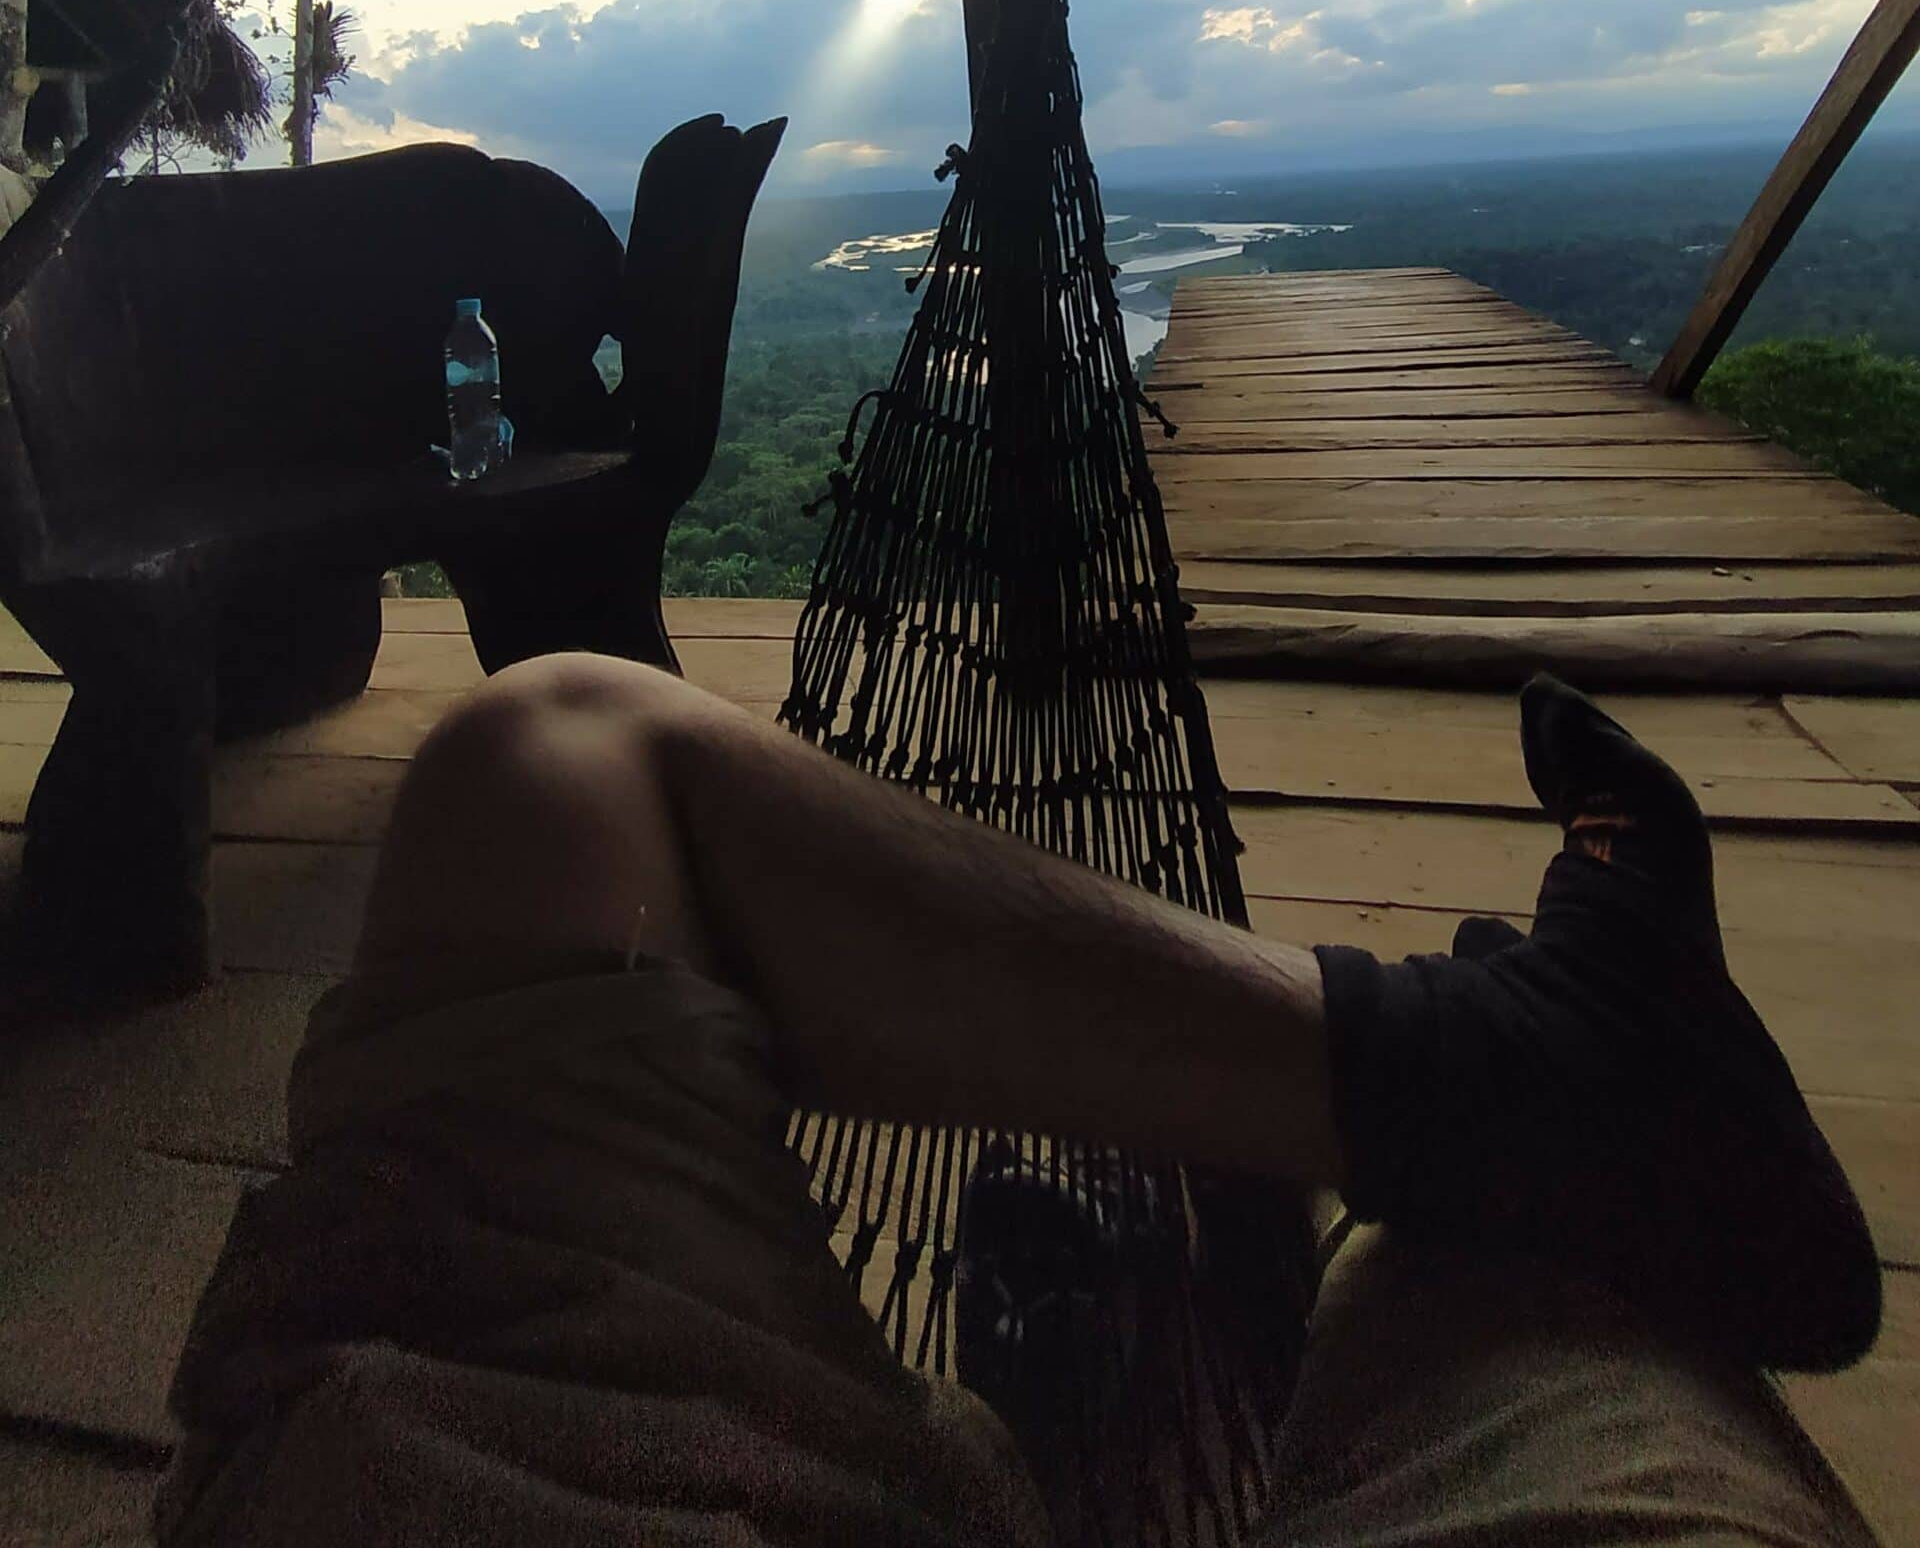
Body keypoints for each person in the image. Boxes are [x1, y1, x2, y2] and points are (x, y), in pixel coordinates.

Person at [157, 659, 1883, 1548]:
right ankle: (1444, 1139)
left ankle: (1466, 1088)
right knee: (1499, 1264)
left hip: (444, 1464)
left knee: (544, 765)